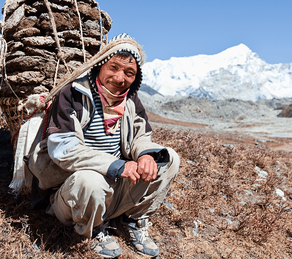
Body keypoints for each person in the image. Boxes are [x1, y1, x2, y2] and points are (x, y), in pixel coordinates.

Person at [27, 33, 180, 258]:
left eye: (129, 73)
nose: (120, 78)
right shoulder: (72, 95)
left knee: (168, 159)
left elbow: (140, 136)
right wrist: (117, 165)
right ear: (100, 66)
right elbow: (64, 149)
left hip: (114, 186)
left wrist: (145, 155)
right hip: (71, 192)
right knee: (89, 180)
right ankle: (92, 229)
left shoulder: (130, 100)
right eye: (113, 67)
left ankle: (131, 220)